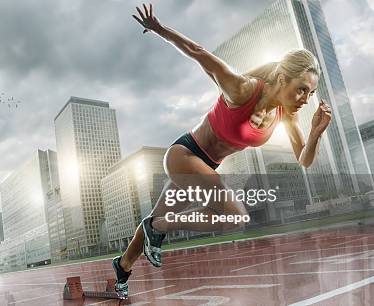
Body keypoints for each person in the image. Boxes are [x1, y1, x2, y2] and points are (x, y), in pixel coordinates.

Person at [111, 3, 333, 297]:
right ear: (282, 79)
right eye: (302, 89)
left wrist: (316, 132)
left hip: (204, 167)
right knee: (235, 217)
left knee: (150, 228)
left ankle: (123, 266)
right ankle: (157, 226)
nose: (306, 98)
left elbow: (304, 159)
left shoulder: (286, 115)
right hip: (184, 155)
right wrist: (159, 29)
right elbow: (198, 52)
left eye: (312, 93)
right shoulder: (242, 89)